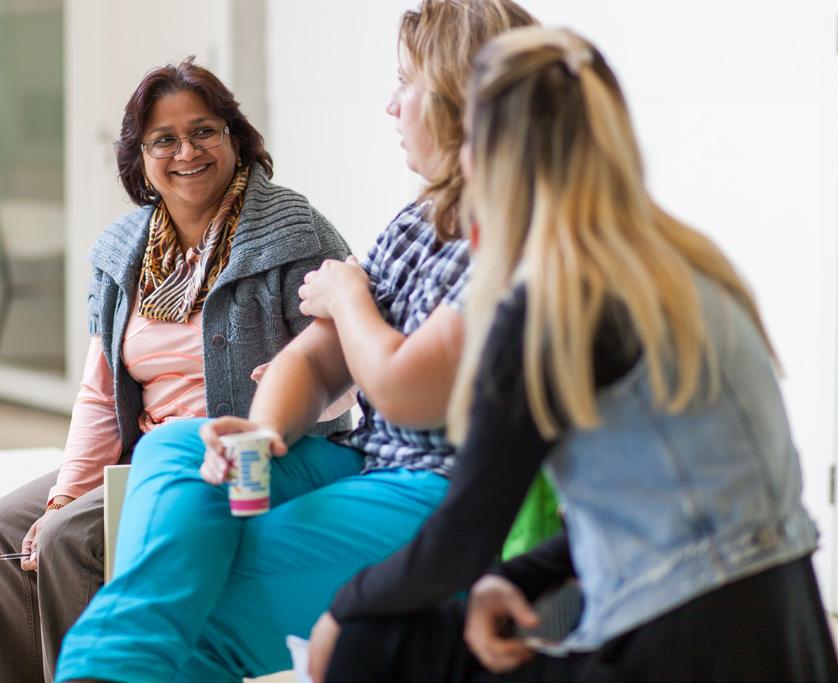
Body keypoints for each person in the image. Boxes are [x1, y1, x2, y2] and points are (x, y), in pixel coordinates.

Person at [312, 27, 838, 683]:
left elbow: (460, 541)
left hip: (673, 655)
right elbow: (648, 509)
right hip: (794, 641)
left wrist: (341, 610)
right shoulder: (691, 270)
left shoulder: (548, 306)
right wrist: (512, 578)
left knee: (371, 640)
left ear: (492, 159)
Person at [54, 3, 538, 682]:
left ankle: (100, 669)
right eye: (163, 141)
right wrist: (259, 434)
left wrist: (348, 298)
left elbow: (409, 390)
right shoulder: (418, 221)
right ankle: (115, 660)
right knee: (178, 445)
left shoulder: (515, 233)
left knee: (204, 598)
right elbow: (314, 357)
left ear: (463, 99)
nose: (391, 106)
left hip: (445, 488)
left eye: (407, 84)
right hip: (371, 461)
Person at [0, 57, 354, 683]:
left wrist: (286, 394)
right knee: (13, 526)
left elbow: (341, 375)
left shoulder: (294, 231)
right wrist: (66, 490)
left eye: (205, 131)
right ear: (139, 158)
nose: (186, 151)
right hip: (143, 449)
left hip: (238, 456)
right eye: (164, 139)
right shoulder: (122, 250)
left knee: (68, 541)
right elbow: (99, 388)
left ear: (234, 139)